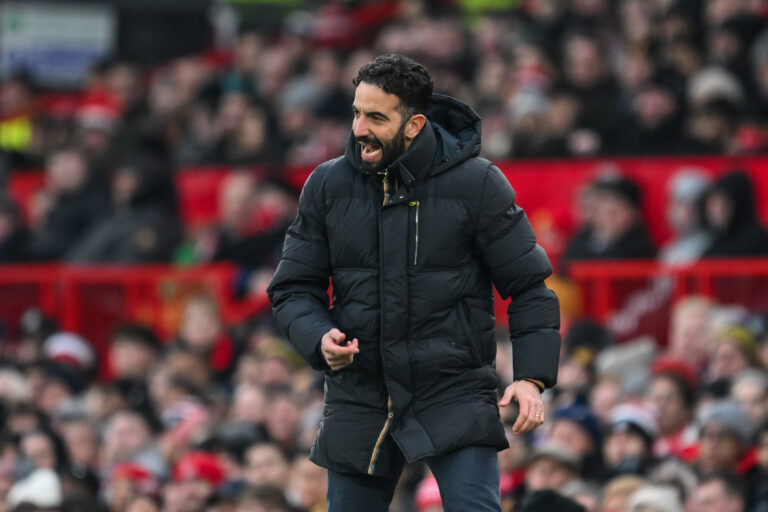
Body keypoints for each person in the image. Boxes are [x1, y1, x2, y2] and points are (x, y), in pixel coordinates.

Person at [267, 54, 560, 511]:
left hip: (454, 390)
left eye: (376, 117)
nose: (359, 128)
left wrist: (531, 379)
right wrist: (317, 336)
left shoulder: (478, 183)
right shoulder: (325, 185)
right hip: (360, 396)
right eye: (356, 112)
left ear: (414, 123)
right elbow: (291, 289)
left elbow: (529, 289)